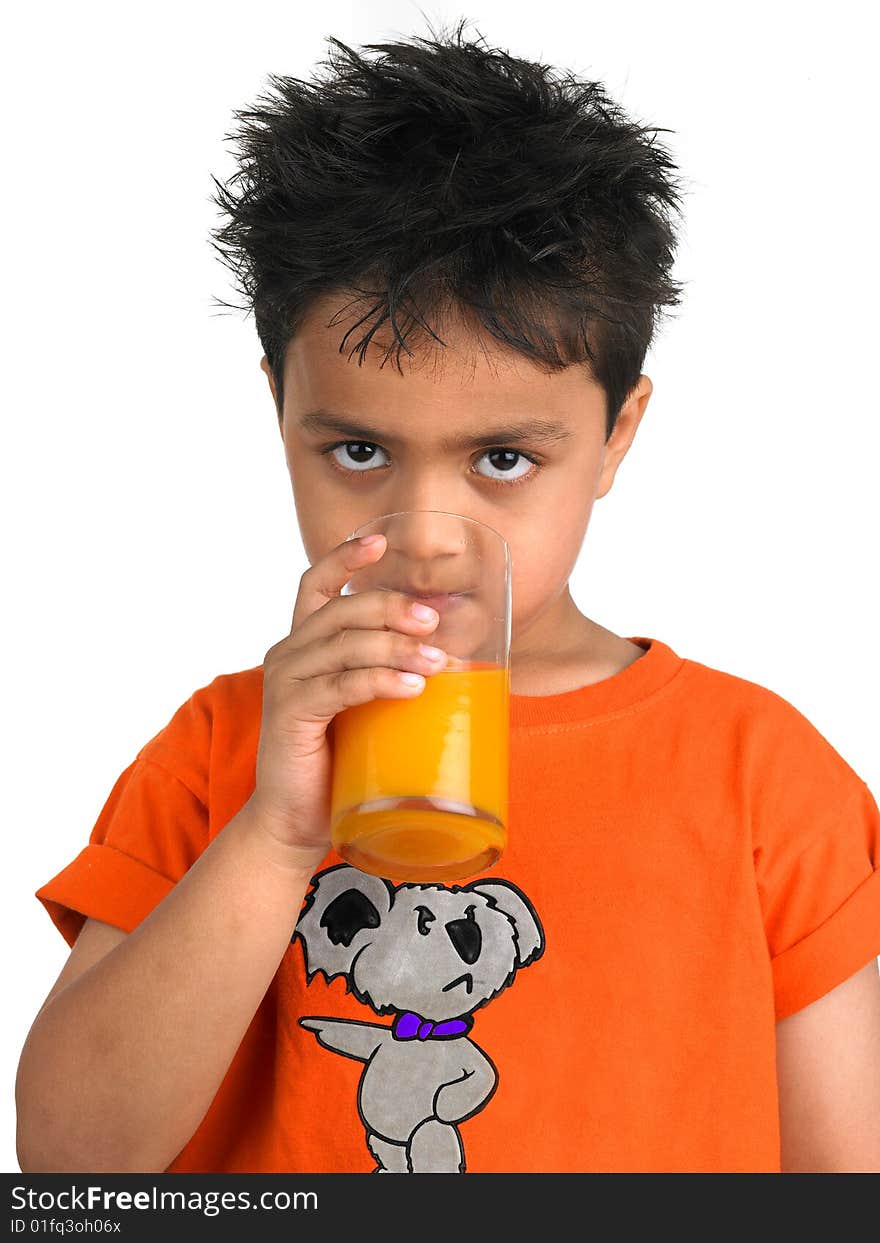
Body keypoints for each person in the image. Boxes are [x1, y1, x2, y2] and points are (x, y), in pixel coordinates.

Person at [16, 21, 880, 1175]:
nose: (426, 539)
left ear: (616, 436)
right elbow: (72, 1165)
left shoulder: (757, 774)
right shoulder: (221, 753)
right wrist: (276, 838)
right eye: (361, 452)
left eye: (503, 461)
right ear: (281, 409)